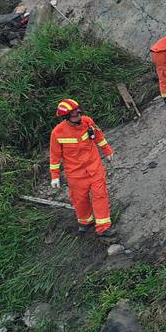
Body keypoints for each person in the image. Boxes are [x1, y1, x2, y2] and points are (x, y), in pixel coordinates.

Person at [49, 99, 115, 236]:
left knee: (100, 194)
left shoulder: (87, 122)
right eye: (74, 115)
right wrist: (54, 176)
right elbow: (55, 156)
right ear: (66, 117)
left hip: (94, 167)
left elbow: (98, 136)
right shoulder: (57, 133)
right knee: (80, 199)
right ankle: (86, 221)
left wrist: (107, 150)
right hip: (75, 174)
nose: (78, 116)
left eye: (78, 112)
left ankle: (103, 227)